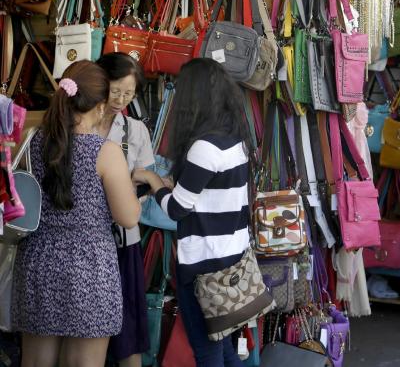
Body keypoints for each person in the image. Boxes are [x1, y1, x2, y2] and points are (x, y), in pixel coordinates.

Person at [11, 61, 141, 367]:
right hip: (90, 267)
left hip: (37, 263)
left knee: (35, 362)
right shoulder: (105, 152)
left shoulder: (32, 141)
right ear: (99, 106)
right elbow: (128, 217)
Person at [132, 59, 248, 367]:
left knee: (207, 349)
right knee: (223, 347)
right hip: (231, 258)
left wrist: (152, 179)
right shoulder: (234, 139)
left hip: (203, 266)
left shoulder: (203, 147)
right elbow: (212, 194)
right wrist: (174, 184)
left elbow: (177, 209)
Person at [96, 53, 153, 367]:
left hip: (122, 240)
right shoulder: (78, 124)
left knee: (126, 323)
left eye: (127, 94)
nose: (119, 99)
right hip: (85, 241)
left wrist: (128, 199)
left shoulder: (135, 131)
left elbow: (144, 181)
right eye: (114, 90)